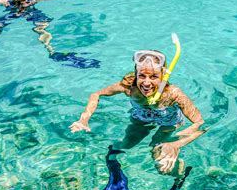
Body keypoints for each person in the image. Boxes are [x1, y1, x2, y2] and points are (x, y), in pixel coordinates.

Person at [69, 35, 205, 175]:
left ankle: (179, 173)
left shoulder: (173, 94)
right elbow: (96, 94)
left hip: (168, 123)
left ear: (163, 77)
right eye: (142, 76)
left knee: (160, 159)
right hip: (141, 118)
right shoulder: (129, 87)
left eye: (153, 77)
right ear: (136, 73)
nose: (146, 83)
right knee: (125, 145)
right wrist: (84, 119)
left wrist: (175, 144)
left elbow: (200, 123)